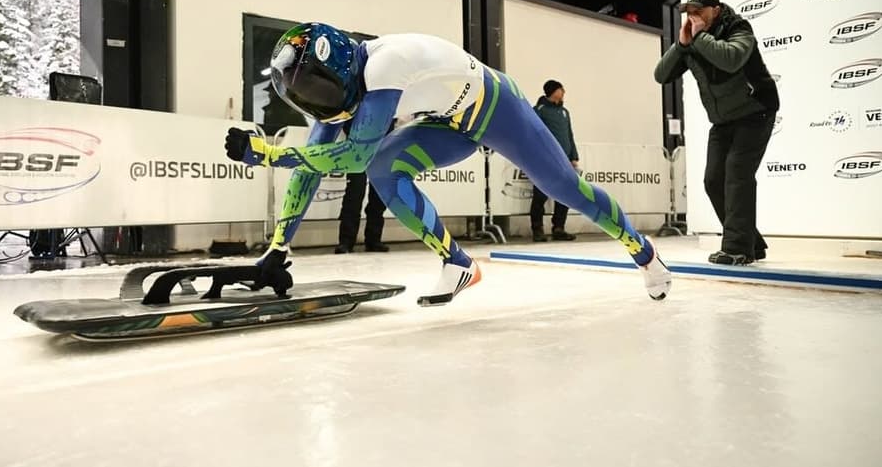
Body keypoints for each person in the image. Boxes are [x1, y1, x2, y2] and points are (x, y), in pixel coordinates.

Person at [225, 23, 672, 305]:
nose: (318, 105)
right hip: (447, 122)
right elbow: (310, 166)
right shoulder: (343, 91)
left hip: (497, 107)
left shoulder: (385, 66)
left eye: (320, 92)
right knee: (386, 168)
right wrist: (277, 249)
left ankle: (644, 252)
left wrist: (267, 153)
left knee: (564, 188)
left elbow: (353, 155)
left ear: (340, 69)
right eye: (307, 98)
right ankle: (458, 265)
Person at [654, 0, 779, 265]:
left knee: (737, 173)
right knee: (713, 181)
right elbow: (661, 75)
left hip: (755, 111)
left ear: (716, 10)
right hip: (723, 121)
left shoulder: (738, 28)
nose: (693, 17)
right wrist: (681, 44)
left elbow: (731, 58)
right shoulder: (693, 40)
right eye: (689, 12)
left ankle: (737, 248)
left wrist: (699, 38)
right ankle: (751, 243)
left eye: (699, 11)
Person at [531, 79, 579, 243]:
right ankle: (537, 229)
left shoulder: (565, 112)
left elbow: (569, 135)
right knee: (540, 195)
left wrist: (573, 156)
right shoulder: (539, 110)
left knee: (564, 194)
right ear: (553, 91)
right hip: (545, 160)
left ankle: (559, 227)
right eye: (561, 89)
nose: (564, 91)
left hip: (564, 161)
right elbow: (533, 133)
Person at [335, 120, 389, 254]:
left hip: (382, 147)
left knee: (378, 196)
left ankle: (374, 239)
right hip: (357, 147)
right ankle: (346, 241)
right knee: (354, 194)